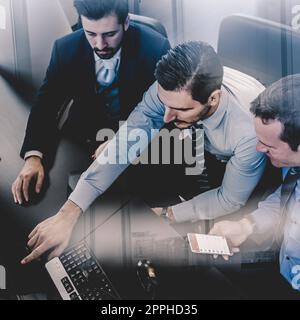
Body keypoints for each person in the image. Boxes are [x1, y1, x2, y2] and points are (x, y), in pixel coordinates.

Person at [21, 41, 266, 264]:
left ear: (212, 99)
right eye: (164, 104)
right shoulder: (172, 89)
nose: (167, 116)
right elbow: (127, 142)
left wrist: (169, 214)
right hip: (194, 140)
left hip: (245, 166)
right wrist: (67, 214)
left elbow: (230, 198)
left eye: (179, 109)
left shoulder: (250, 131)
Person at [11, 0, 170, 204]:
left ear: (126, 22)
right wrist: (33, 156)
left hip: (138, 143)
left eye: (109, 34)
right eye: (91, 34)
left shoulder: (156, 48)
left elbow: (165, 110)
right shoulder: (64, 49)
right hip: (82, 140)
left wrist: (124, 141)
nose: (100, 45)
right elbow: (46, 105)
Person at [209, 74, 300, 295]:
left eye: (268, 145)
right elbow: (286, 199)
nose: (259, 148)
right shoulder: (292, 164)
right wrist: (247, 225)